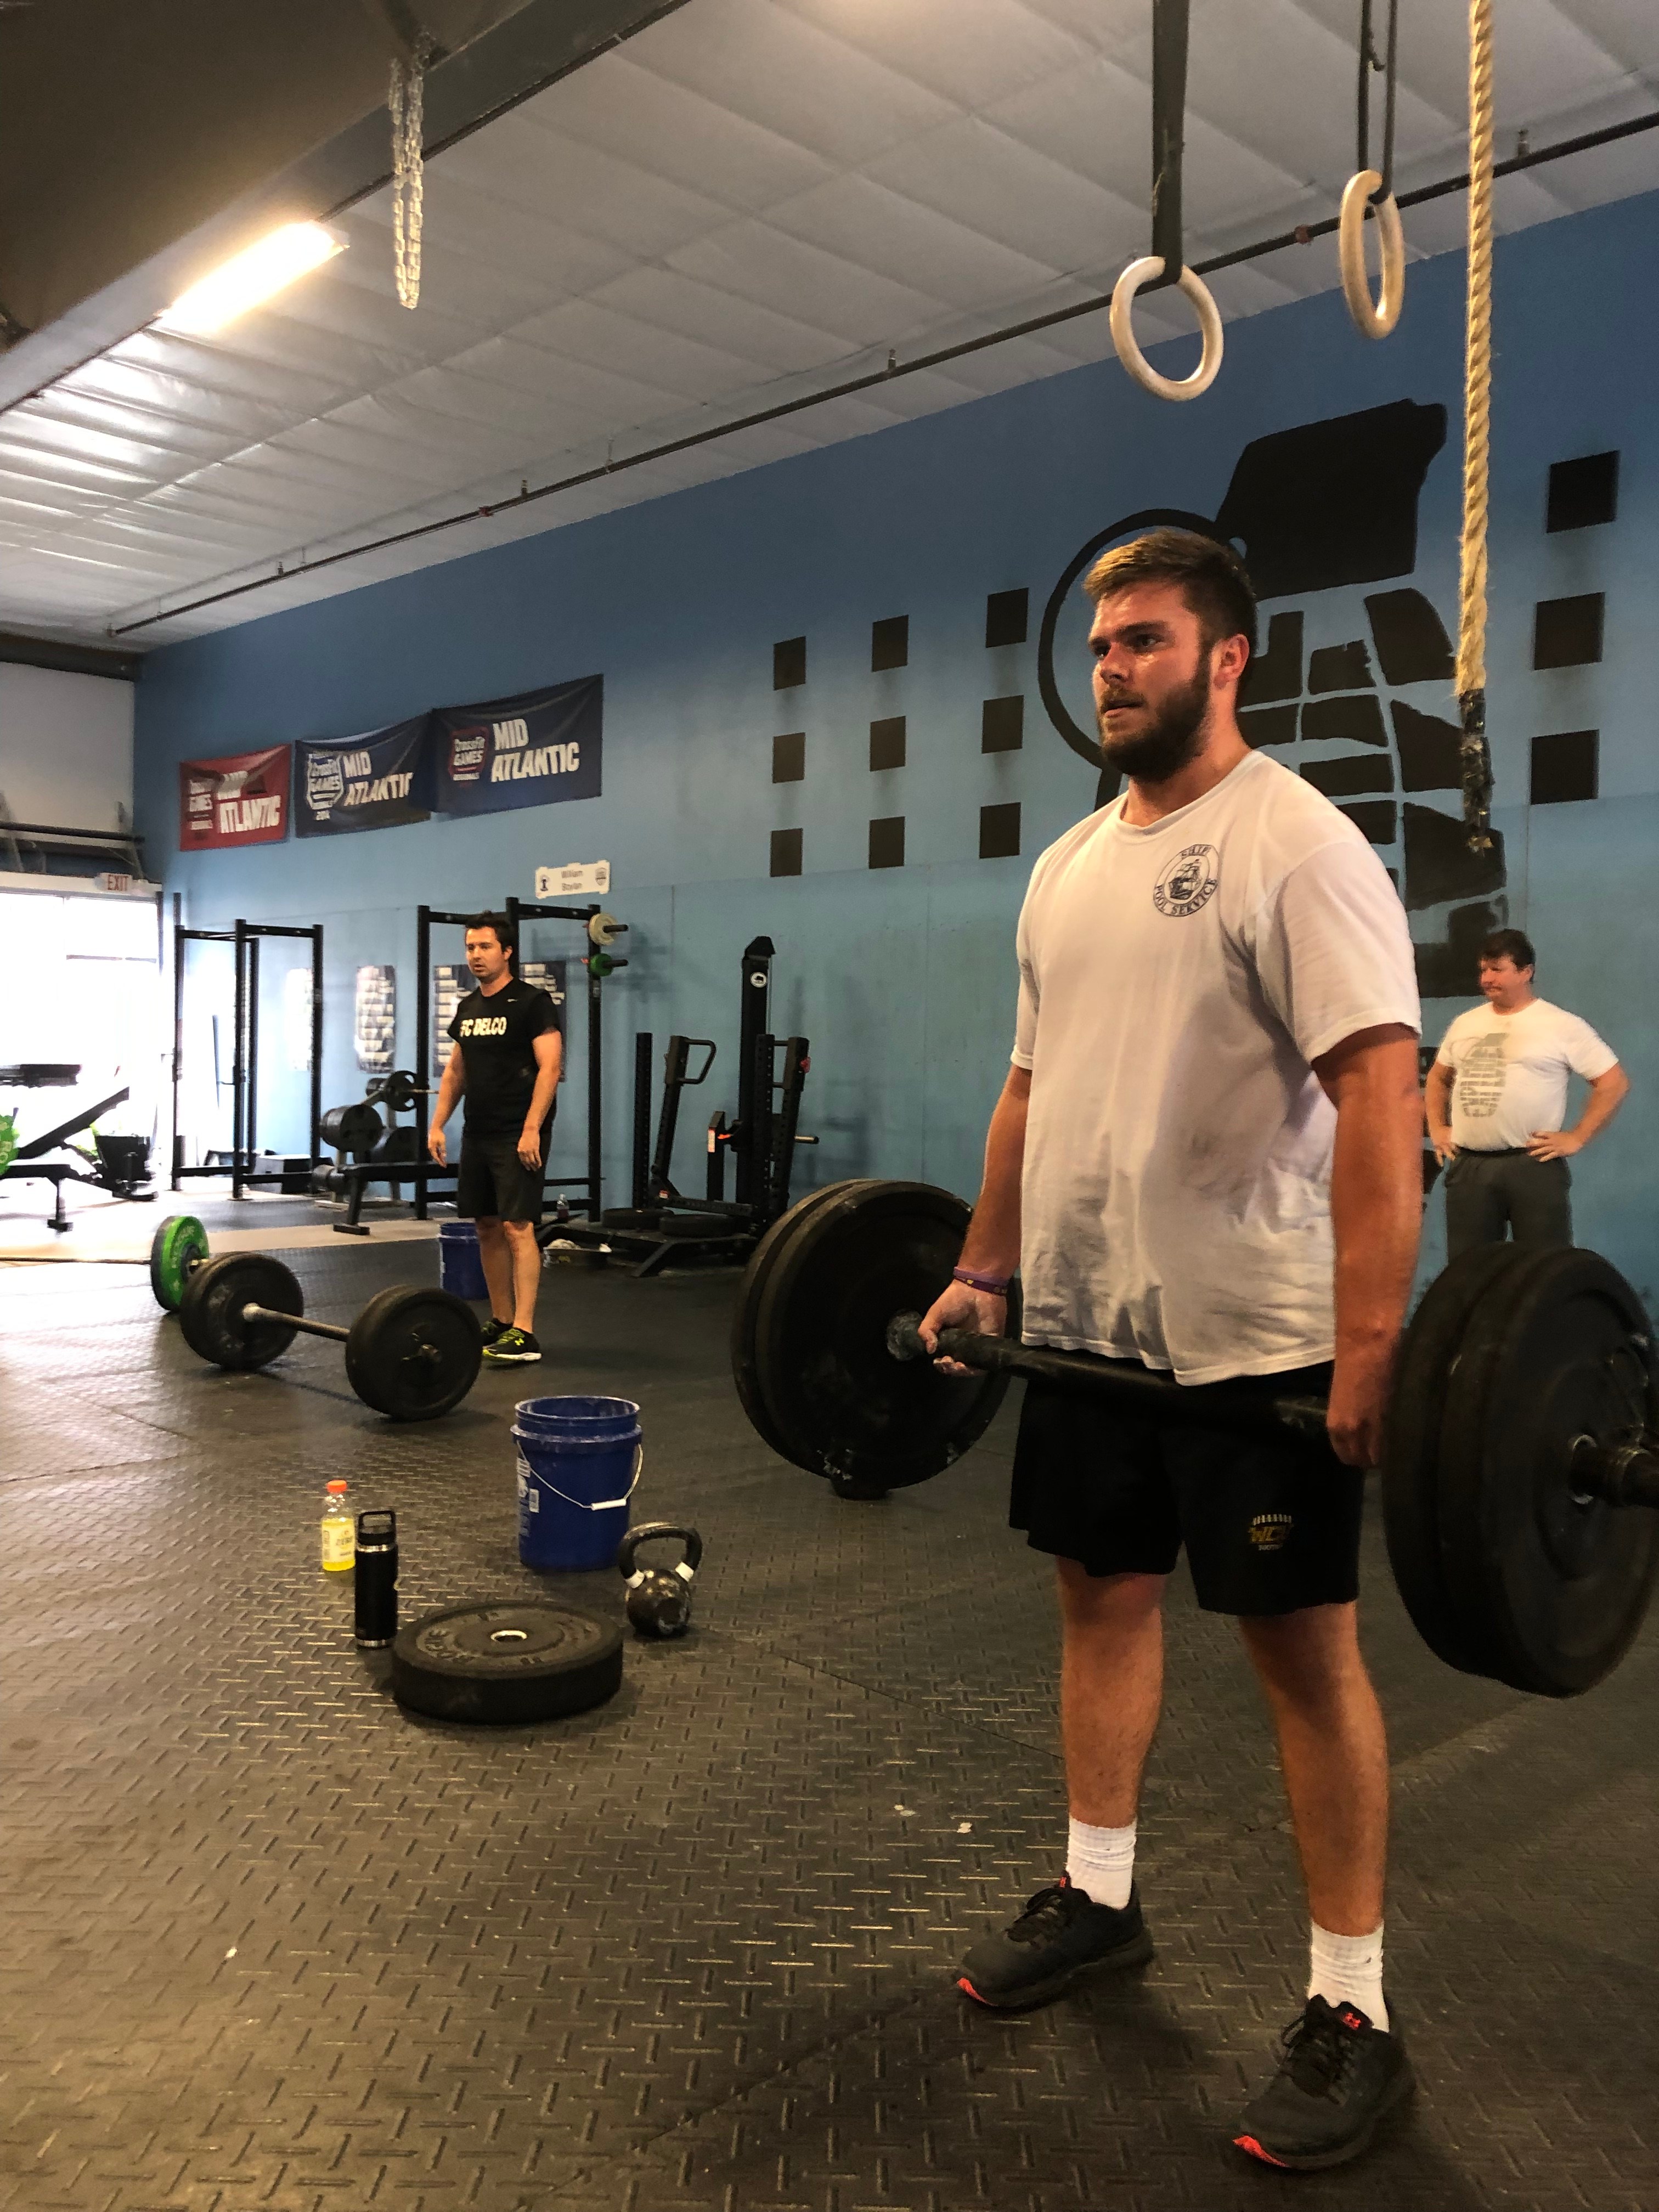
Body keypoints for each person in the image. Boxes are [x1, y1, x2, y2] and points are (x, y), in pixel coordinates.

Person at [918, 528, 1424, 2171]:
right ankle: (1100, 1896)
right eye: (1100, 647)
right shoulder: (1067, 866)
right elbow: (1027, 1089)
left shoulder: (1299, 844)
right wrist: (982, 1272)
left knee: (1303, 1654)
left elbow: (1380, 1098)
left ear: (1227, 658)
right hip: (1089, 1331)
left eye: (1143, 640)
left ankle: (1353, 2006)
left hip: (1256, 1342)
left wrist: (1369, 1339)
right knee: (1100, 1599)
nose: (1112, 669)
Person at [1424, 929, 1627, 1260]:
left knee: (1544, 1268)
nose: (1487, 979)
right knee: (1469, 1270)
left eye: (1497, 969)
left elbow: (1613, 1082)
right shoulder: (1465, 1024)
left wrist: (1577, 1137)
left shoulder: (1560, 1024)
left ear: (1526, 972)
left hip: (1532, 1166)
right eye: (1483, 970)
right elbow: (1438, 1078)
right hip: (1470, 1167)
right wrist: (1437, 1128)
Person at [427, 912, 561, 1364]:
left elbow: (550, 1067)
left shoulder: (532, 1003)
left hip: (517, 1132)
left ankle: (525, 1332)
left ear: (506, 952)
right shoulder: (468, 1007)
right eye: (470, 947)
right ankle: (502, 1320)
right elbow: (456, 1070)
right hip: (479, 1130)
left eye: (485, 947)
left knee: (517, 1226)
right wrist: (437, 1124)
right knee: (486, 1224)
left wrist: (532, 1128)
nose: (476, 955)